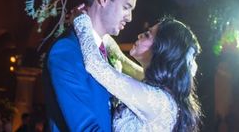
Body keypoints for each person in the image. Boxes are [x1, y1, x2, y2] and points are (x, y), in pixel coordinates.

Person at [73, 11, 203, 132]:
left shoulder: (159, 101)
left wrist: (81, 19)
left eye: (147, 35)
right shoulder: (159, 89)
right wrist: (99, 27)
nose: (140, 35)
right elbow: (120, 58)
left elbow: (95, 65)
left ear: (161, 50)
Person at [45, 0, 139, 132]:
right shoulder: (66, 50)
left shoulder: (106, 52)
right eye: (126, 8)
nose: (130, 18)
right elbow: (84, 127)